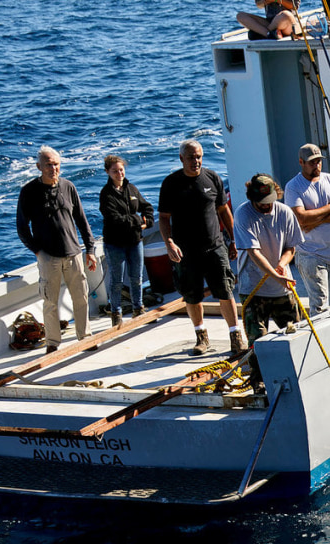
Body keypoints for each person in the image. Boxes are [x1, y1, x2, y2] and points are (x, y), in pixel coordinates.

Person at [158, 140, 245, 357]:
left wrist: (234, 240)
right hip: (185, 252)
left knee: (225, 290)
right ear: (181, 159)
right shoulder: (171, 183)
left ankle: (235, 336)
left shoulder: (212, 178)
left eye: (198, 157)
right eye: (191, 157)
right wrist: (169, 243)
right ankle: (200, 336)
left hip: (215, 246)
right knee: (192, 296)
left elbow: (224, 211)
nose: (195, 161)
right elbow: (163, 218)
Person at [15, 146, 97, 353]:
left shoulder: (68, 186)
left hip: (74, 253)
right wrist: (38, 252)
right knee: (50, 302)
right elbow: (22, 227)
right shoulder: (29, 192)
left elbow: (81, 219)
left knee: (81, 298)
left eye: (56, 164)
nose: (53, 168)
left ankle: (85, 337)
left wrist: (90, 249)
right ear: (39, 167)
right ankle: (52, 343)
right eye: (49, 164)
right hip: (48, 257)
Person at [233, 174, 304, 379]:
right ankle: (260, 381)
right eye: (261, 203)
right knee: (258, 344)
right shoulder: (243, 214)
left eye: (270, 201)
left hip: (283, 288)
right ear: (251, 198)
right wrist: (276, 275)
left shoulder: (284, 213)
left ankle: (298, 376)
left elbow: (291, 247)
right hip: (253, 289)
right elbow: (254, 253)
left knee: (296, 335)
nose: (266, 206)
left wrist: (282, 265)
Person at [283, 143, 330, 314]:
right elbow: (301, 218)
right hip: (310, 254)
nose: (317, 165)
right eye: (312, 162)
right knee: (319, 305)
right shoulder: (293, 187)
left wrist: (314, 221)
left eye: (319, 161)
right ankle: (319, 339)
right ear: (301, 162)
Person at [97, 154, 153, 326]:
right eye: (115, 171)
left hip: (135, 241)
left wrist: (148, 220)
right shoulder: (106, 195)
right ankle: (116, 313)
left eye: (121, 170)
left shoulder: (132, 188)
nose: (119, 173)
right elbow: (115, 219)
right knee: (117, 281)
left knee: (137, 277)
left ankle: (138, 308)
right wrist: (138, 221)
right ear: (107, 172)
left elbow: (146, 207)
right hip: (115, 245)